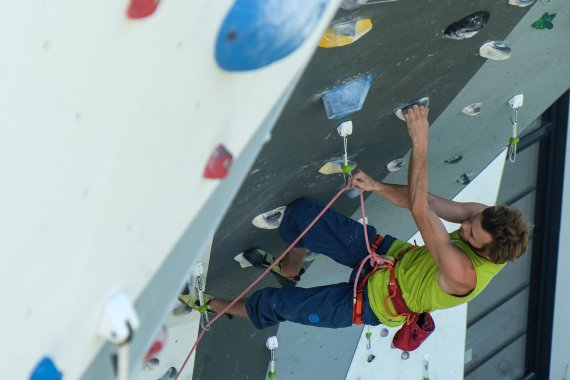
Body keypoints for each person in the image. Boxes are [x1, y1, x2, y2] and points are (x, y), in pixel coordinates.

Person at [180, 105, 530, 330]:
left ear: (484, 252)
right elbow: (425, 201)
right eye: (470, 222)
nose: (465, 225)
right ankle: (289, 270)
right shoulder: (485, 220)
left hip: (378, 303)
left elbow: (420, 209)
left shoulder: (463, 274)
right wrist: (376, 186)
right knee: (303, 215)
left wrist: (421, 143)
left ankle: (210, 306)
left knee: (278, 305)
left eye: (469, 234)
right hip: (391, 260)